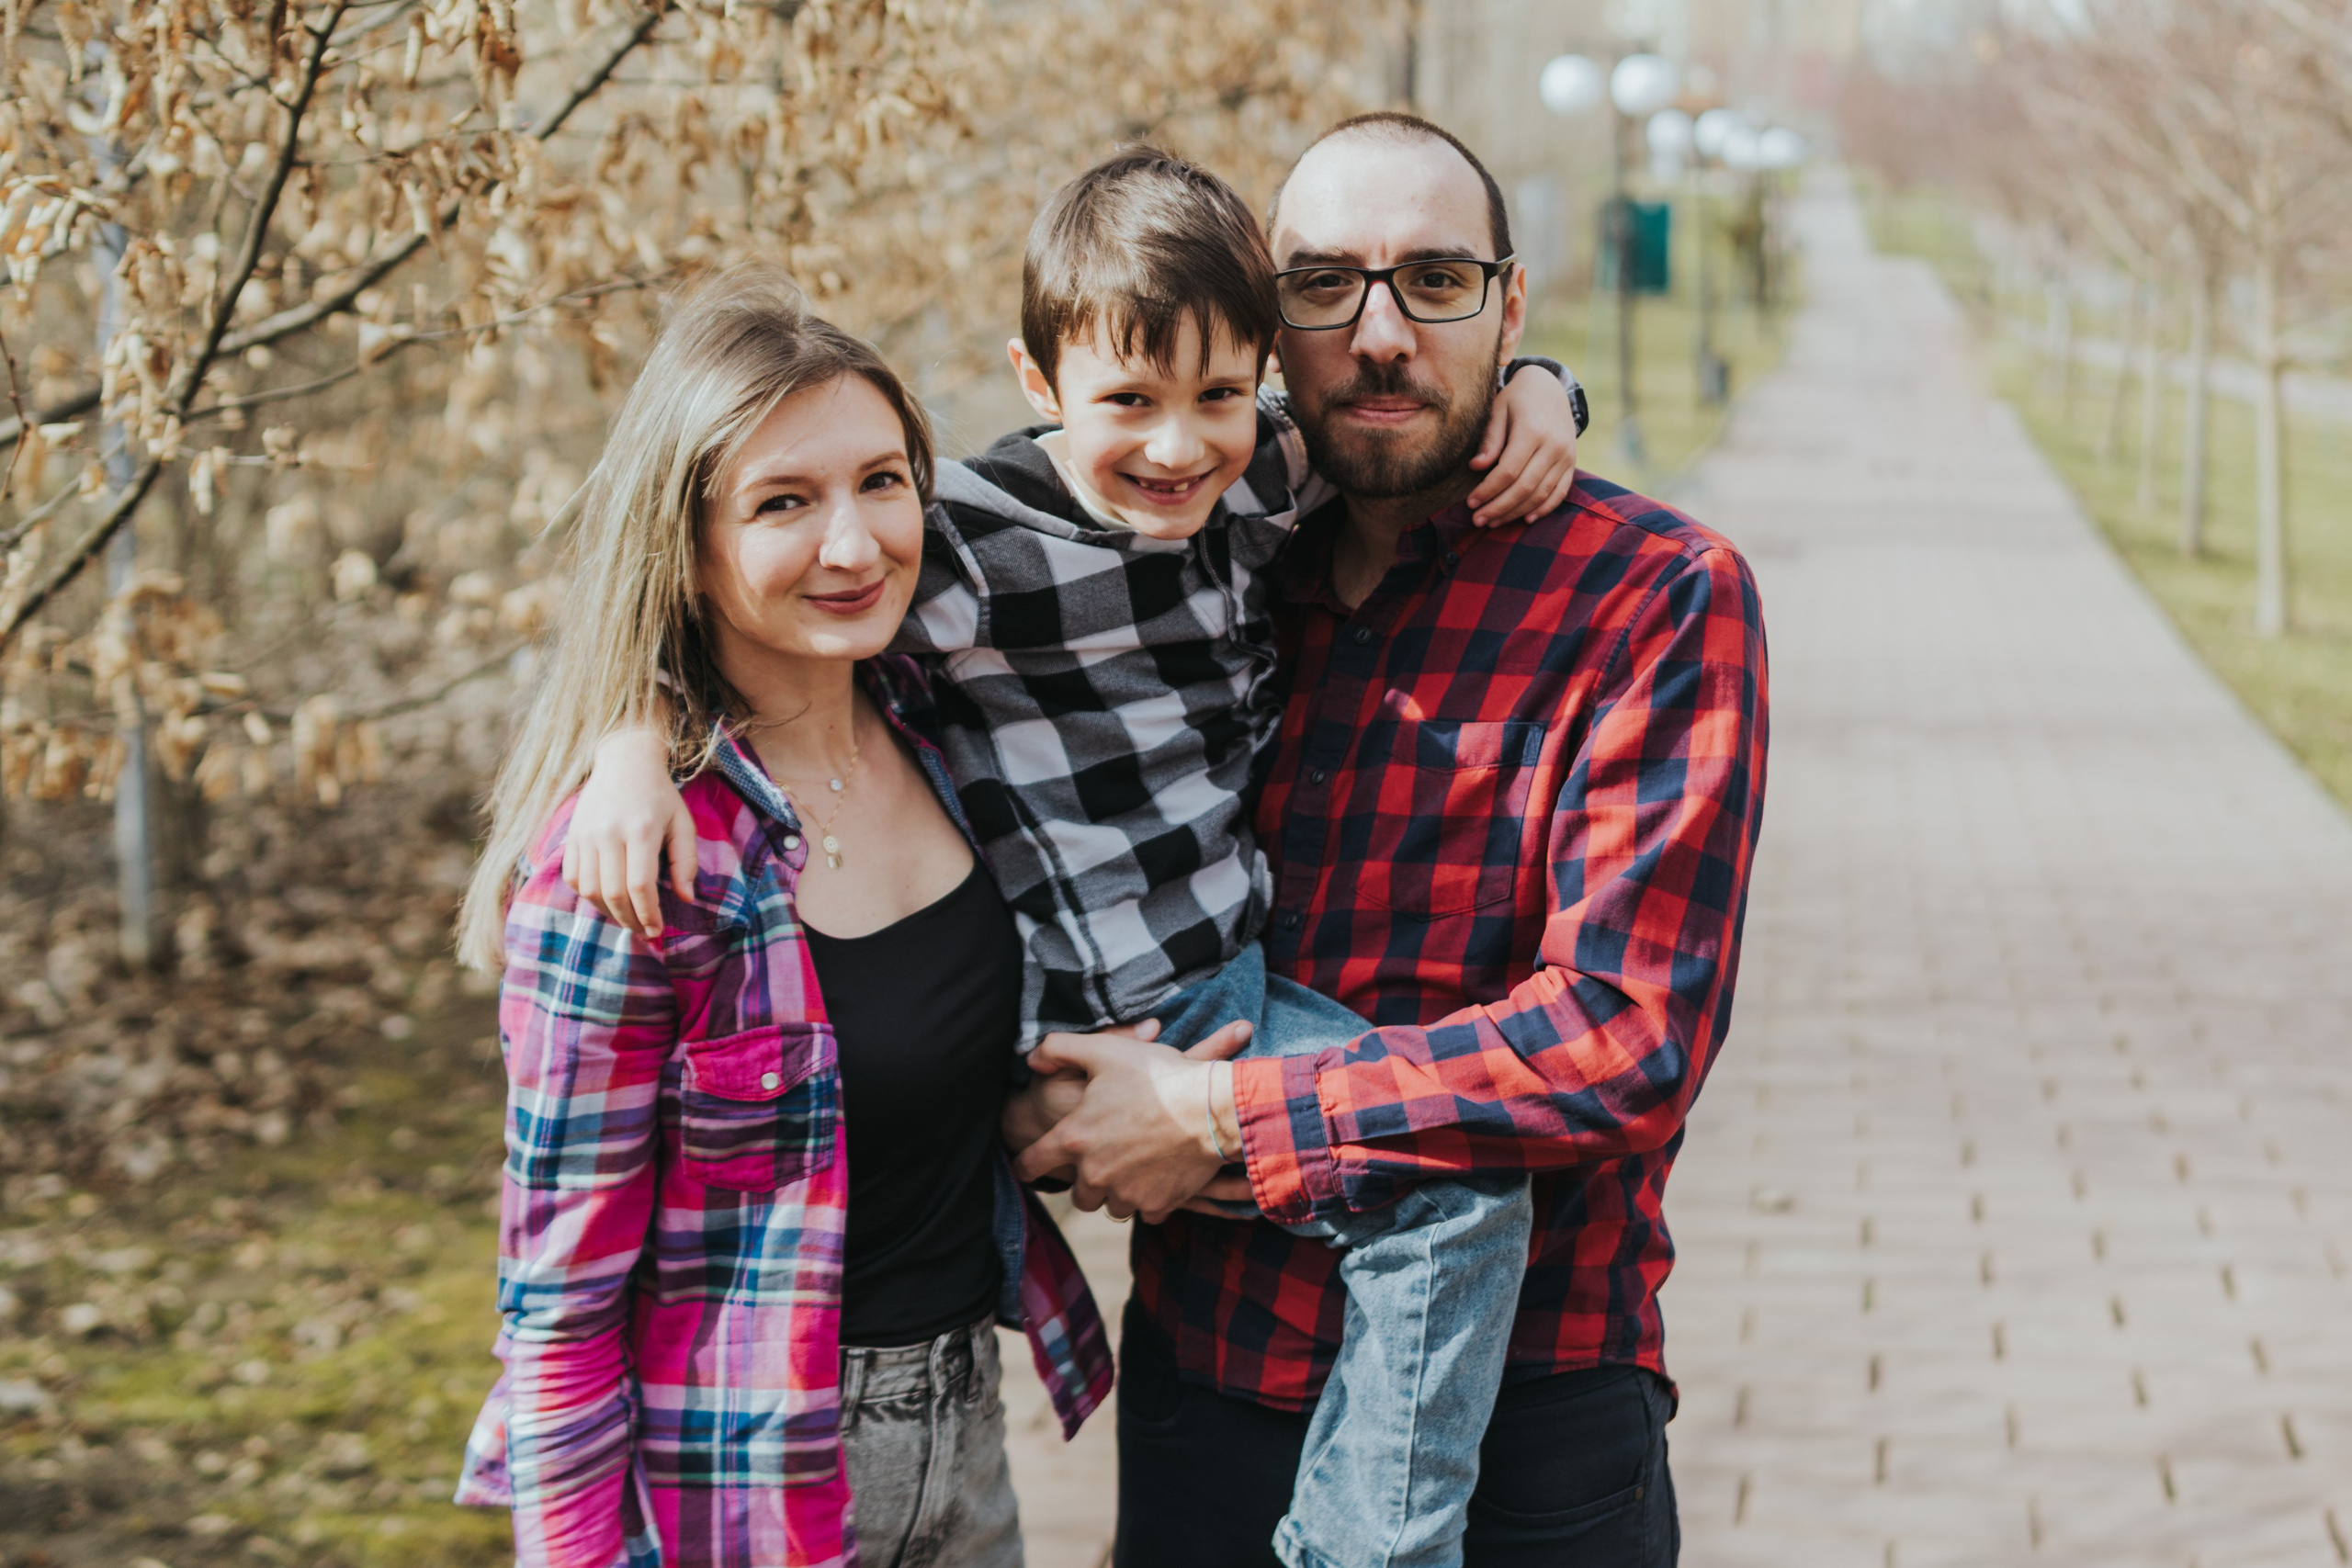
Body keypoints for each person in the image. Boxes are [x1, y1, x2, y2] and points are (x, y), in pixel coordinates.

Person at [561, 148, 1589, 1568]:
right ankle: (1373, 1549)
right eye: (1129, 405)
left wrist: (1548, 391)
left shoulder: (1259, 467)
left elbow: (1402, 406)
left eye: (1218, 398)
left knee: (1437, 1199)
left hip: (1215, 975)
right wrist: (624, 739)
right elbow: (740, 598)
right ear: (1040, 385)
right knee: (1458, 1200)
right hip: (1109, 997)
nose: (1177, 449)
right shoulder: (971, 542)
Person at [1011, 114, 1770, 1568]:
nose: (1377, 334)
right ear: (1260, 317)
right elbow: (833, 605)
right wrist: (632, 738)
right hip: (1210, 1382)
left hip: (1525, 1421)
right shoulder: (1188, 556)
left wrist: (1223, 1116)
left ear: (1510, 303)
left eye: (1434, 280)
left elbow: (1627, 1039)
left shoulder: (1656, 597)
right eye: (1322, 284)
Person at [448, 268, 1174, 1568]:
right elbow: (557, 1316)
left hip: (966, 1443)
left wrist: (1524, 388)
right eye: (786, 502)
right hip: (745, 1475)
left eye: (881, 481)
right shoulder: (634, 866)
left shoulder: (939, 715)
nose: (854, 544)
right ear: (686, 540)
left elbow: (1182, 442)